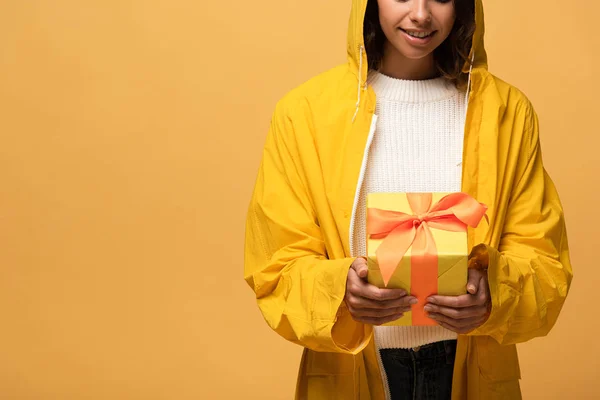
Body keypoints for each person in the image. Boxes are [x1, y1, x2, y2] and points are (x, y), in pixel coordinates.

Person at [244, 0, 573, 398]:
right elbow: (274, 266)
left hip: (472, 370)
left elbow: (545, 261)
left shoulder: (507, 112)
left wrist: (494, 294)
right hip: (352, 371)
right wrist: (339, 292)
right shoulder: (304, 113)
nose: (420, 14)